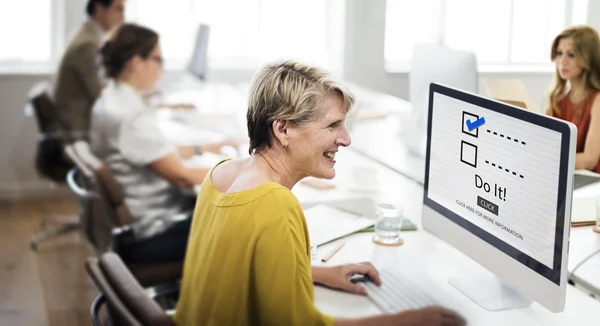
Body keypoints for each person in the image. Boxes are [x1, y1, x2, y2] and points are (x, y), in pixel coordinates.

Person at [174, 61, 466, 325]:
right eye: (333, 125)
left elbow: (236, 266)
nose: (346, 139)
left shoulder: (221, 174)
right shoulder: (274, 203)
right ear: (283, 129)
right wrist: (404, 321)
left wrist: (318, 272)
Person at [90, 23, 240, 264]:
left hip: (141, 218)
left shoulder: (112, 98)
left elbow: (152, 152)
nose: (162, 69)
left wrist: (204, 149)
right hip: (154, 230)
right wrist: (245, 169)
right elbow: (181, 176)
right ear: (135, 61)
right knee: (245, 225)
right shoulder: (130, 116)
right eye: (158, 60)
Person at [53, 0, 125, 138]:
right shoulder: (87, 44)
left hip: (76, 123)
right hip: (77, 129)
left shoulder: (87, 33)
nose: (122, 17)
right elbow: (102, 95)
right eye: (118, 9)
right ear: (99, 7)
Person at [547, 25, 600, 172]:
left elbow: (589, 159)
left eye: (571, 55)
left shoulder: (597, 100)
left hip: (589, 182)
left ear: (588, 59)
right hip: (564, 173)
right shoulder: (558, 97)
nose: (562, 61)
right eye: (559, 53)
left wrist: (548, 162)